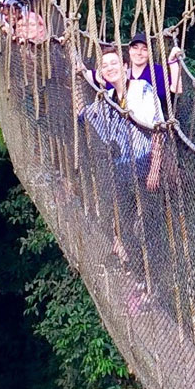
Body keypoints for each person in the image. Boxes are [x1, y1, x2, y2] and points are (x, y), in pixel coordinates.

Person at [76, 47, 166, 305]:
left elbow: (158, 129)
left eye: (114, 63)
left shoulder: (142, 90)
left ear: (125, 66)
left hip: (145, 163)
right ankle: (140, 279)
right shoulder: (106, 101)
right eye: (105, 66)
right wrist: (75, 78)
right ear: (102, 74)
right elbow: (84, 117)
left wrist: (155, 167)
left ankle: (154, 286)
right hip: (122, 169)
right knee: (126, 229)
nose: (110, 68)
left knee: (149, 228)